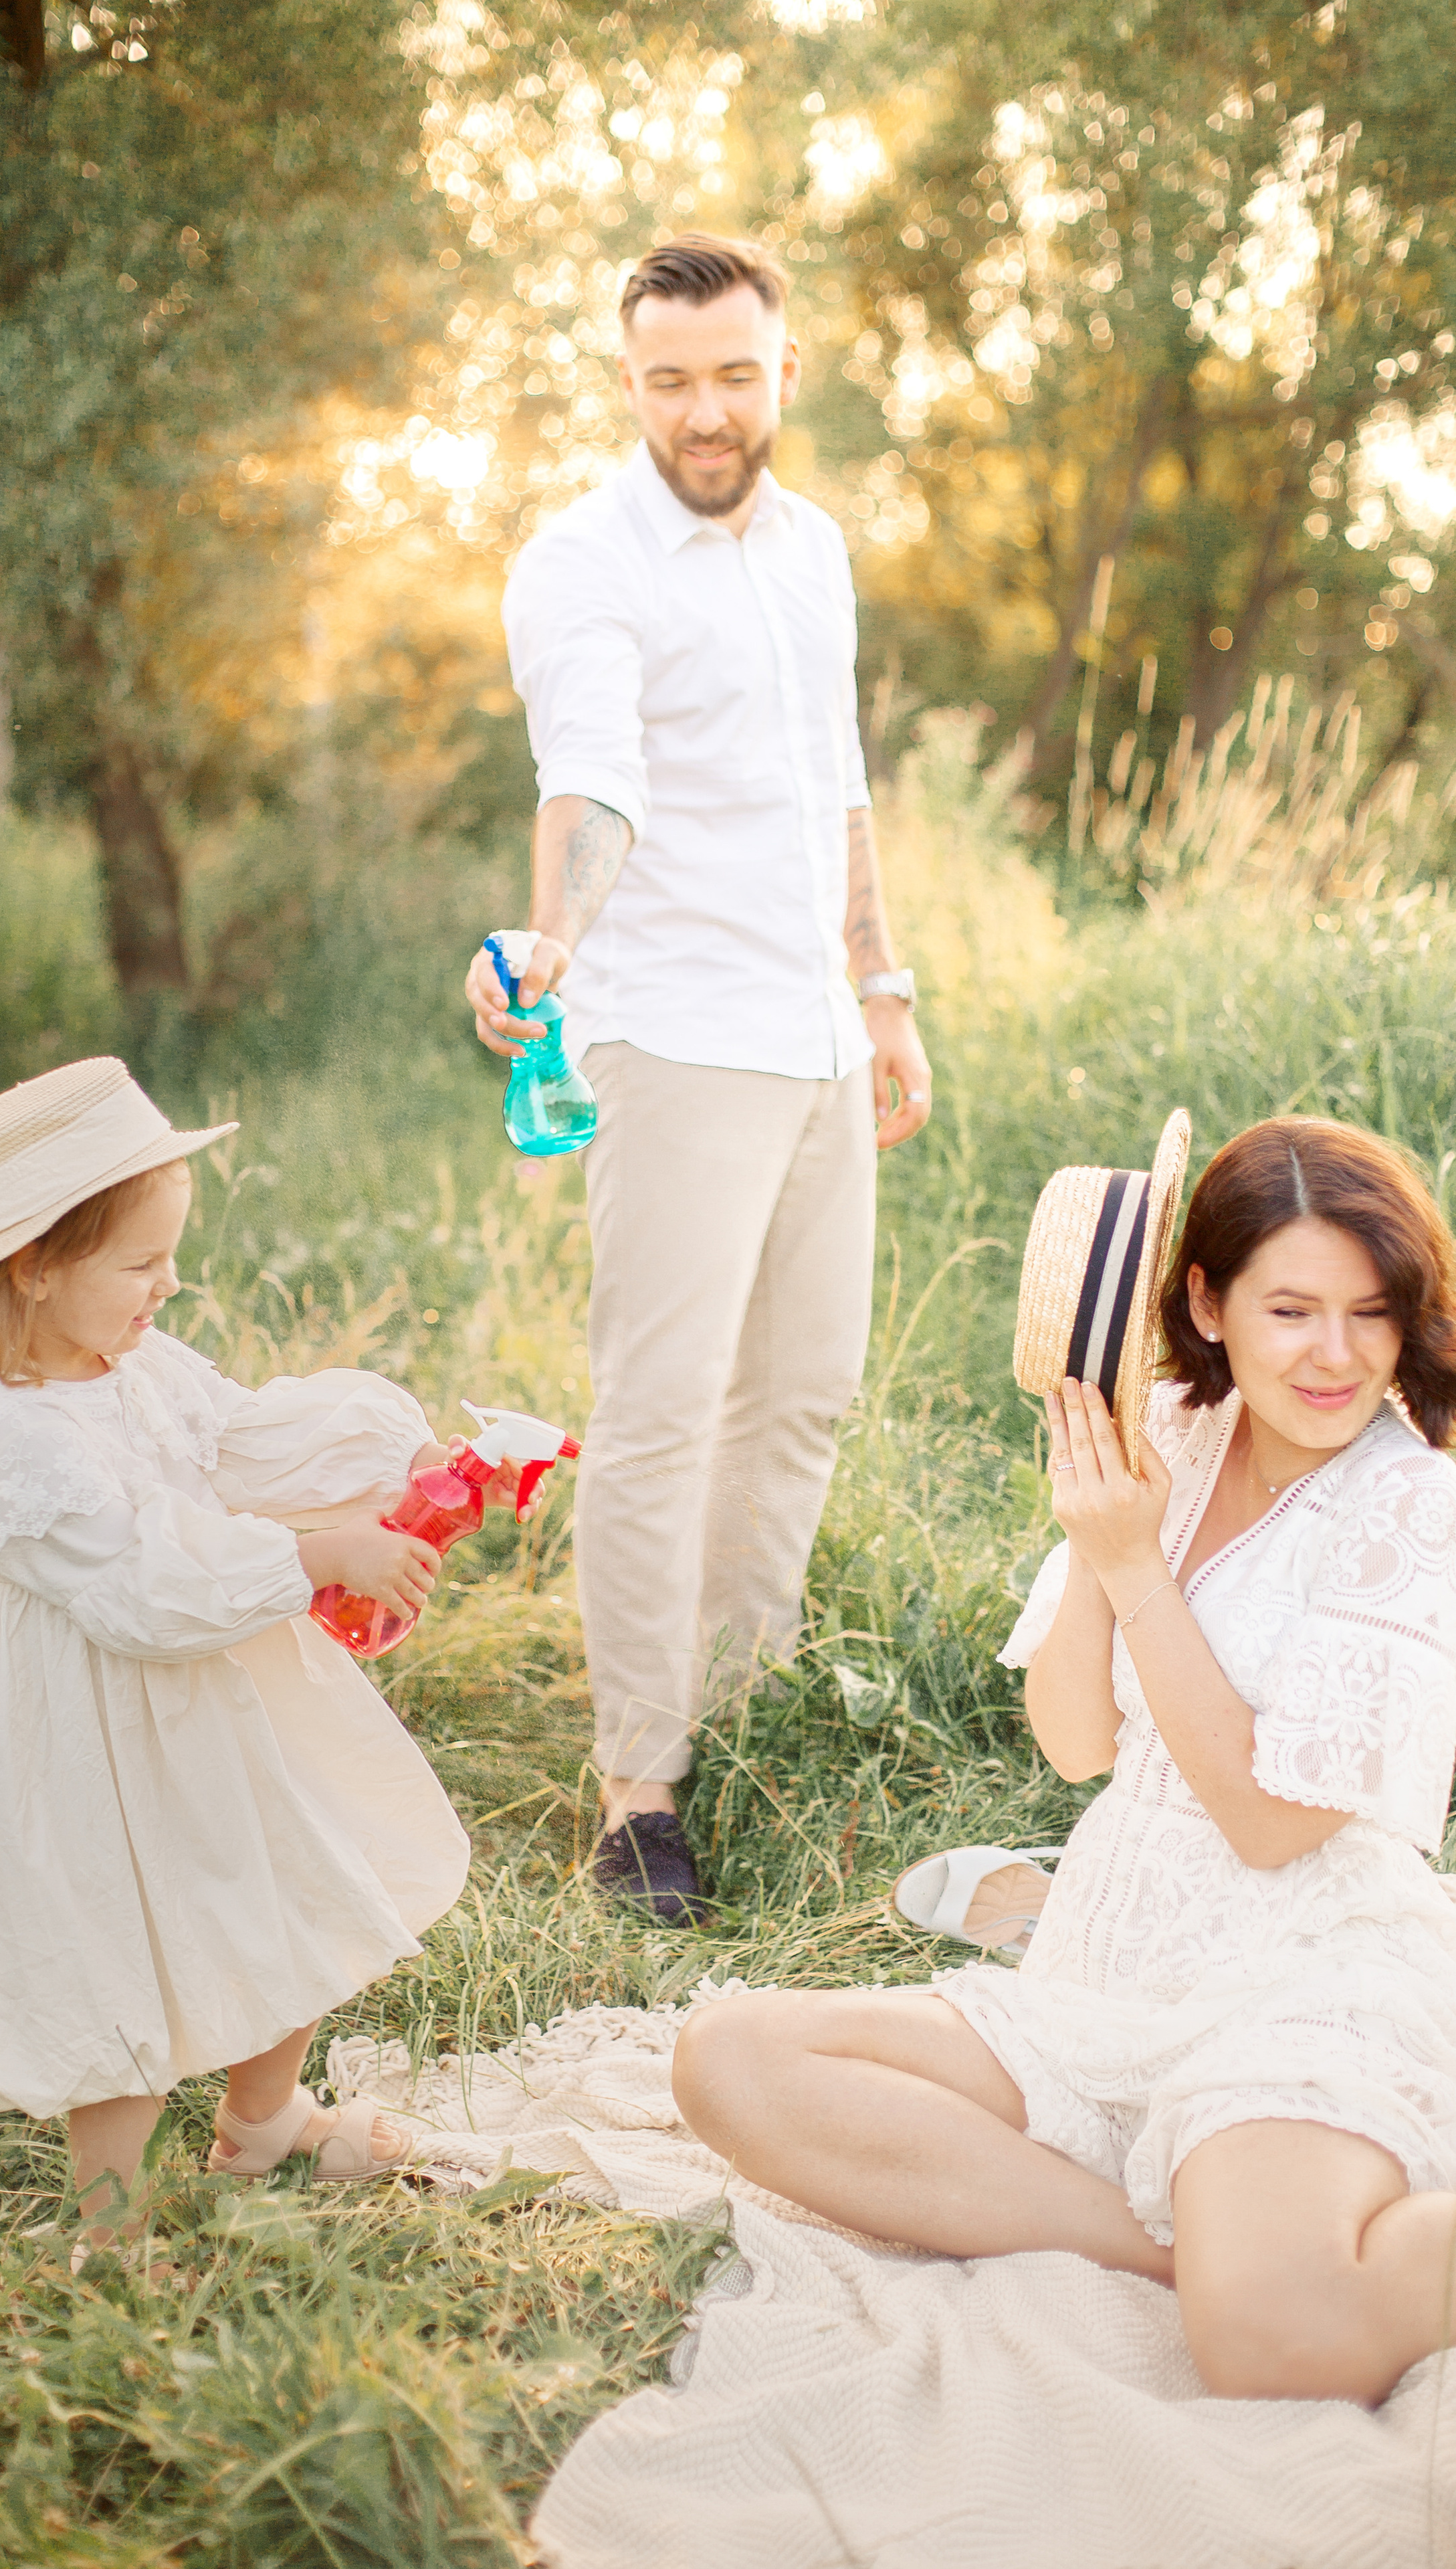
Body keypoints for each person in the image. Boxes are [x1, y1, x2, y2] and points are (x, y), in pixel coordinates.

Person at [673, 1116, 1456, 2405]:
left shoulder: (1412, 1502)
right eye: (1292, 1311)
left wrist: (1136, 1565)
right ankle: (1161, 2254)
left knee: (1275, 2345)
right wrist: (1103, 1542)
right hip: (1104, 1965)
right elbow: (1077, 1743)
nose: (1337, 1355)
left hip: (1301, 1976)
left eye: (1370, 1314)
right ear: (1205, 1304)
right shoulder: (1174, 1434)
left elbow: (1273, 1826)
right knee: (730, 2058)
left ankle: (1235, 2254)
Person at [0, 1056, 531, 2261]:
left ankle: (263, 2120)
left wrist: (392, 1464)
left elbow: (235, 1437)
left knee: (296, 1884)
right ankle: (110, 2226)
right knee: (114, 1959)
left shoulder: (136, 1361)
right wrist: (317, 1557)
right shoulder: (19, 1436)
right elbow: (141, 1591)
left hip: (212, 1699)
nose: (168, 1284)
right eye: (142, 1264)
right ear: (35, 1267)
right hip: (92, 1732)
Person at [465, 233, 932, 1921]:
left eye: (733, 375)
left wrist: (880, 989)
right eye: (669, 382)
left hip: (814, 1033)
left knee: (800, 1393)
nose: (704, 412)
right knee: (663, 1415)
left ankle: (746, 1719)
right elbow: (592, 777)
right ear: (628, 383)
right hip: (671, 1036)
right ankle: (638, 1792)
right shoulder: (580, 565)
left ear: (781, 370)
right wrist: (550, 941)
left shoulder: (813, 550)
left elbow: (836, 787)